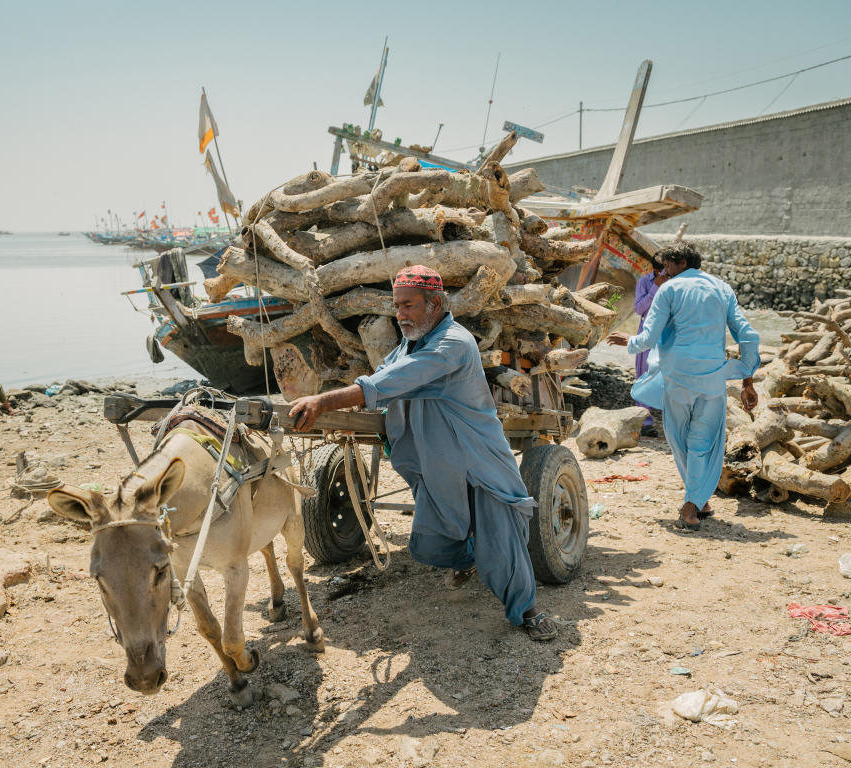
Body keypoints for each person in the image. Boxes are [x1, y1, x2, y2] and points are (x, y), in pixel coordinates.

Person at [288, 265, 557, 641]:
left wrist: (323, 400)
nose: (400, 314)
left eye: (409, 306)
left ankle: (526, 610)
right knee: (429, 543)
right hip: (438, 463)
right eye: (396, 306)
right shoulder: (409, 345)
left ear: (436, 303)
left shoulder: (453, 343)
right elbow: (384, 378)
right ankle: (470, 557)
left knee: (501, 540)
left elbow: (388, 382)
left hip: (476, 457)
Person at [607, 243, 759, 531]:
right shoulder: (722, 288)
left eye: (667, 266)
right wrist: (747, 379)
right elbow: (747, 335)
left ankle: (690, 508)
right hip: (712, 377)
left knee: (679, 440)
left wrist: (627, 342)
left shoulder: (669, 290)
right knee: (704, 441)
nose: (664, 272)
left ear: (681, 262)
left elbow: (649, 338)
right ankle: (700, 500)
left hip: (677, 377)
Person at [633, 257, 667, 437]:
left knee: (668, 376)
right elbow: (639, 309)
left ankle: (671, 420)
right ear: (655, 271)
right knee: (644, 375)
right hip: (646, 333)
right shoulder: (644, 282)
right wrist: (655, 287)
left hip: (667, 334)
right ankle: (644, 421)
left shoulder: (675, 282)